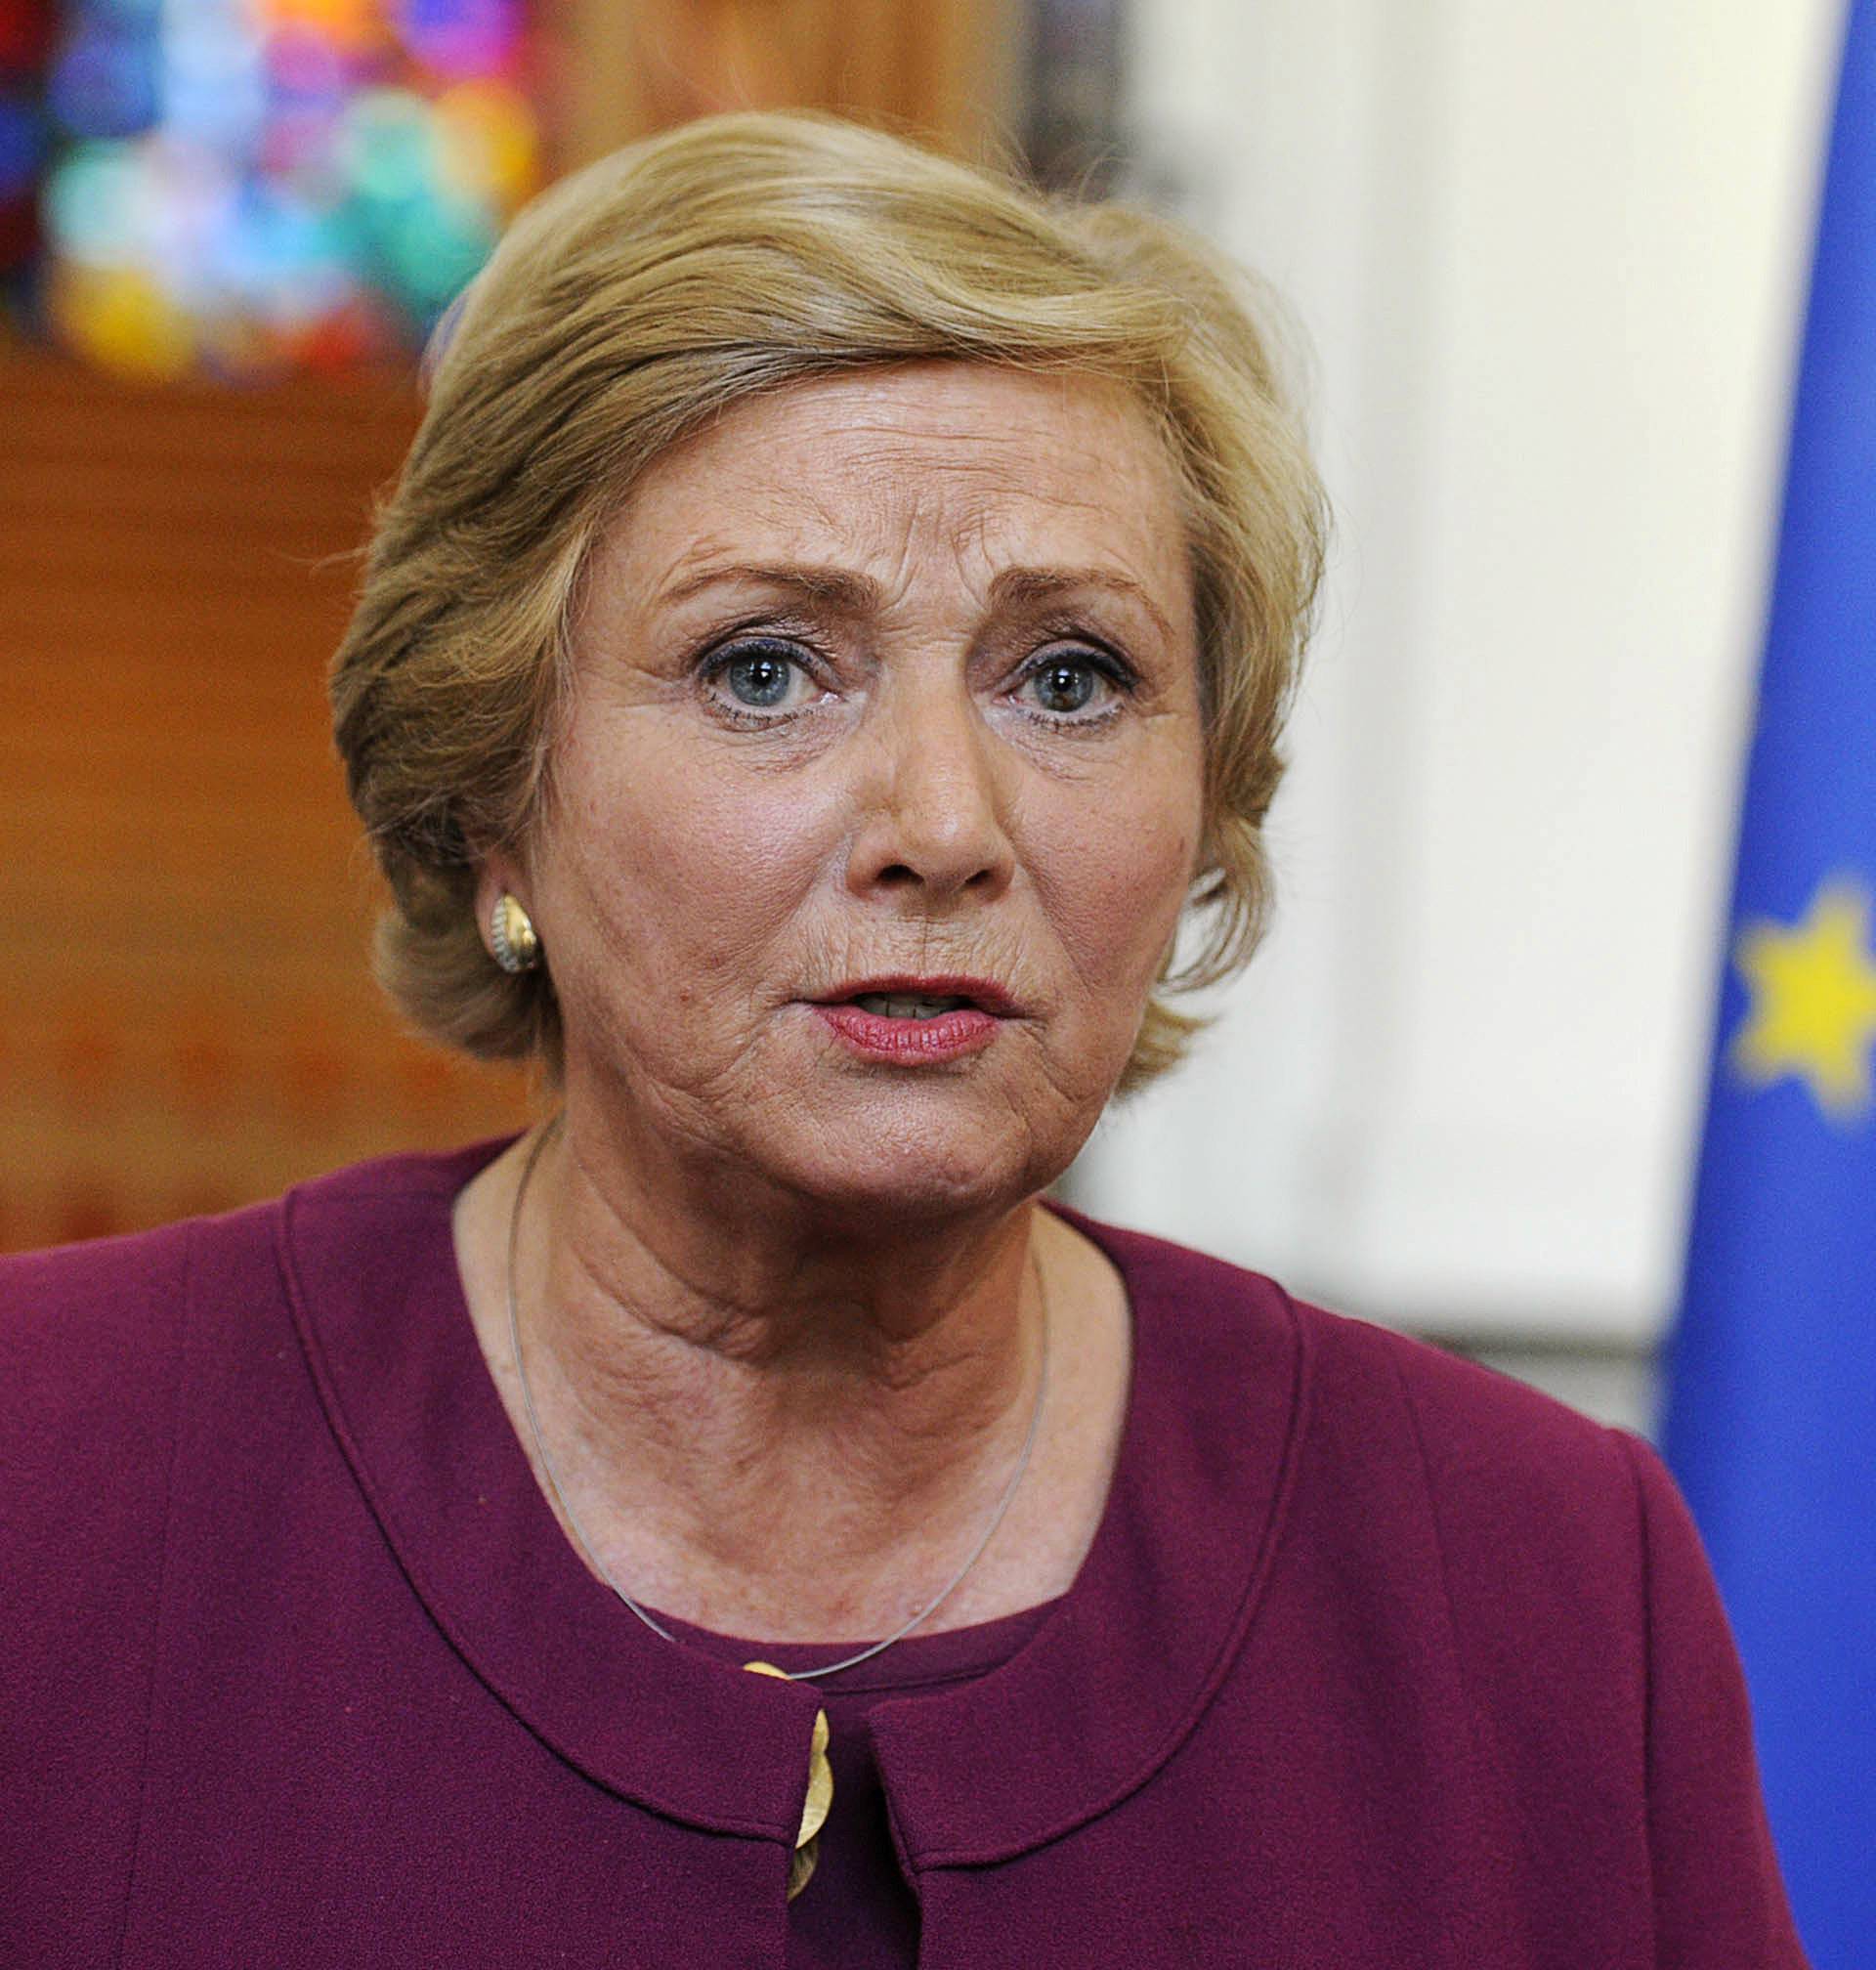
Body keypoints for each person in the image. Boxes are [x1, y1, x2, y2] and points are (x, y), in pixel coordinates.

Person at [3, 112, 1806, 1968]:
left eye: (1068, 679)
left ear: (1207, 801)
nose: (943, 821)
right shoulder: (43, 1481)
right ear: (490, 800)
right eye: (764, 668)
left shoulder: (1537, 1579)